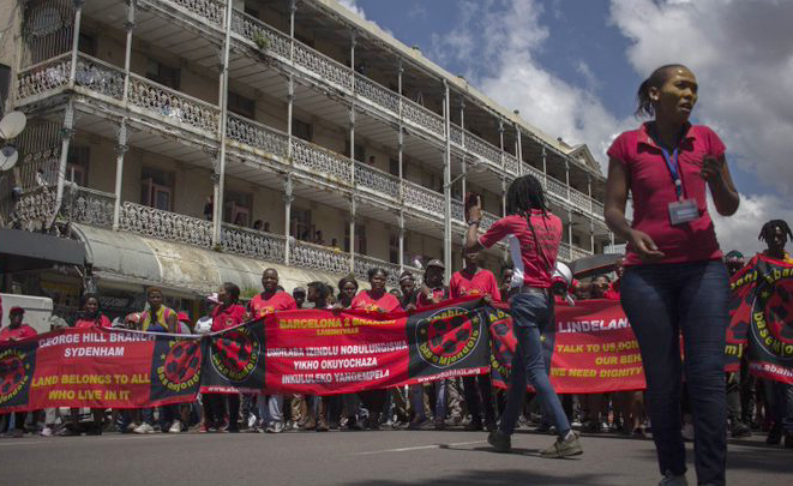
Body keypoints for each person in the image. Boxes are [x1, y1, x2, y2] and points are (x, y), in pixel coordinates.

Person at [604, 64, 739, 485]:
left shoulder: (708, 141)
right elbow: (612, 210)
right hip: (647, 275)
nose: (690, 94)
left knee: (707, 378)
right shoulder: (627, 145)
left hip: (705, 270)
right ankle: (673, 472)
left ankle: (712, 479)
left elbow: (730, 206)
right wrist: (630, 232)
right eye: (681, 86)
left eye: (695, 88)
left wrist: (718, 184)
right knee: (662, 378)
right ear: (655, 93)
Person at [466, 174, 583, 458]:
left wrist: (473, 220)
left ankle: (566, 434)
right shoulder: (555, 223)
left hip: (525, 299)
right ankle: (504, 434)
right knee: (519, 371)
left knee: (534, 369)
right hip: (547, 301)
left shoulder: (513, 223)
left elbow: (471, 246)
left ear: (515, 199)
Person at [450, 249, 500, 432]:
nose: (472, 255)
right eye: (468, 252)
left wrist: (489, 300)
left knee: (485, 380)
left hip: (484, 333)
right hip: (465, 335)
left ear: (479, 255)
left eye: (475, 251)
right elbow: (451, 306)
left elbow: (497, 303)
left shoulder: (488, 276)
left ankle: (491, 419)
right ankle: (475, 419)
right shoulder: (456, 277)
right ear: (463, 255)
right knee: (468, 380)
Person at [755, 220, 793, 448]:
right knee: (770, 387)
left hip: (789, 335)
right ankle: (777, 426)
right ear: (766, 239)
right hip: (764, 336)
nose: (777, 240)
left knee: (788, 383)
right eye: (772, 237)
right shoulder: (758, 265)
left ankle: (789, 429)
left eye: (780, 236)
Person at [246, 269, 297, 433]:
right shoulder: (255, 300)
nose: (268, 280)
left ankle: (275, 420)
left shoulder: (286, 299)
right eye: (266, 278)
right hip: (260, 347)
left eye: (272, 278)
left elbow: (295, 322)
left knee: (275, 385)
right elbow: (251, 323)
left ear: (277, 280)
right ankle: (263, 419)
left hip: (279, 347)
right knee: (260, 385)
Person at [351, 268, 402, 430]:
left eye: (381, 279)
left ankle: (373, 417)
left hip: (382, 348)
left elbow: (400, 321)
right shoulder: (360, 297)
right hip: (361, 347)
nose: (378, 281)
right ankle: (367, 413)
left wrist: (386, 315)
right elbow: (349, 317)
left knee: (380, 383)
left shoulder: (392, 300)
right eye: (375, 278)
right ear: (370, 280)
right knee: (361, 381)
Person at [134, 288, 182, 434]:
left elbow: (172, 336)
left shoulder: (169, 313)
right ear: (147, 299)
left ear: (162, 299)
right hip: (149, 358)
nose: (155, 299)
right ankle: (147, 422)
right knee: (148, 389)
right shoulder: (144, 316)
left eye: (158, 297)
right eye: (152, 297)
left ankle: (176, 421)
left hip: (166, 357)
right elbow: (141, 337)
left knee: (168, 389)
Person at [65, 294, 112, 436]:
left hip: (96, 364)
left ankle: (96, 425)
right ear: (83, 306)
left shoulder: (103, 320)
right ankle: (75, 425)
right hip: (78, 364)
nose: (92, 307)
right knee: (75, 394)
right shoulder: (77, 321)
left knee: (96, 394)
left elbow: (110, 338)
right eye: (89, 304)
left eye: (94, 304)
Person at [204, 283, 246, 433]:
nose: (219, 293)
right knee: (215, 388)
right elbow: (214, 330)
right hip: (217, 355)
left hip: (234, 355)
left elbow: (245, 331)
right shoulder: (217, 310)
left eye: (221, 291)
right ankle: (220, 420)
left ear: (229, 295)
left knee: (232, 390)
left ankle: (234, 422)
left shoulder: (240, 310)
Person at [0, 307, 37, 438]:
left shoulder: (28, 330)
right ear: (9, 316)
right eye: (14, 314)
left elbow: (35, 344)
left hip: (21, 372)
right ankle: (3, 428)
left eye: (20, 315)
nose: (17, 317)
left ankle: (18, 427)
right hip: (5, 374)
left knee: (19, 400)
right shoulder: (4, 331)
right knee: (5, 400)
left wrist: (20, 342)